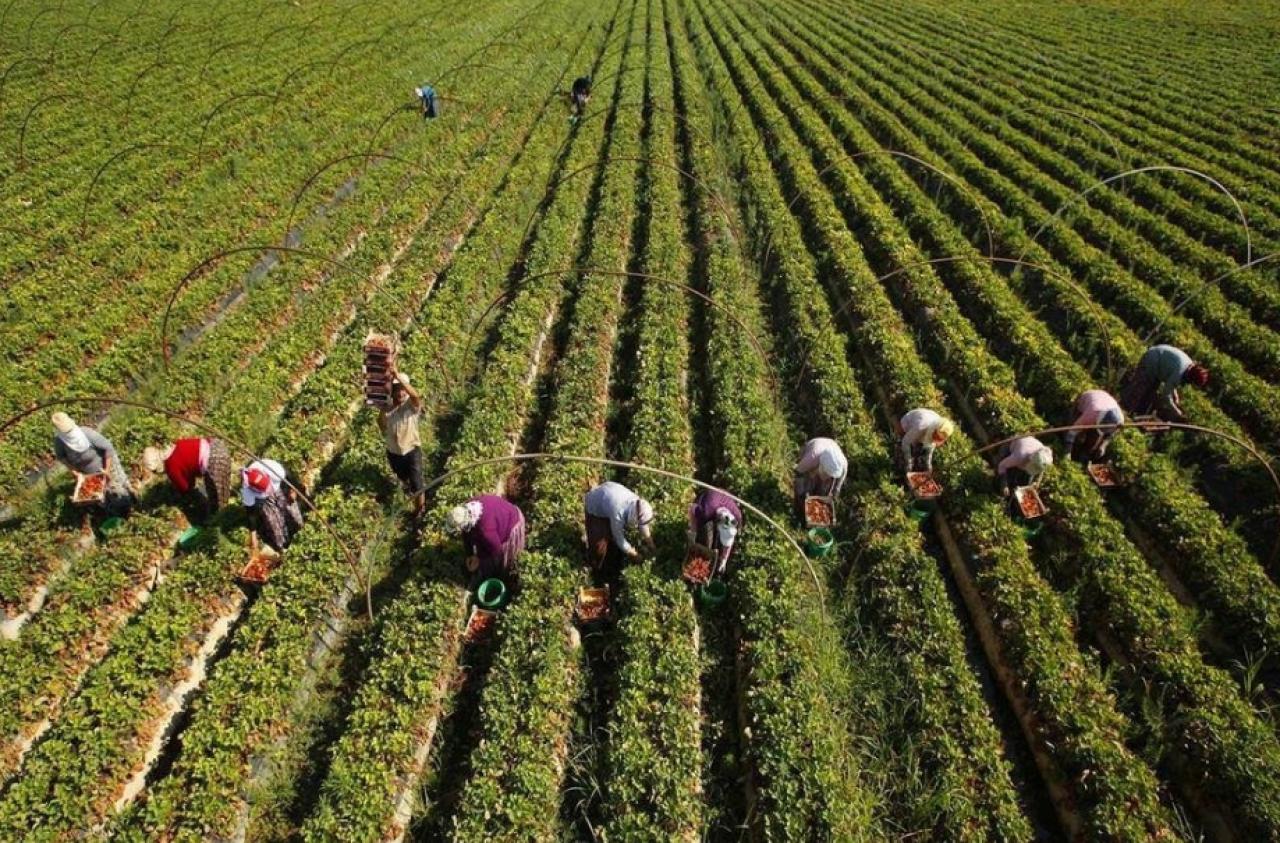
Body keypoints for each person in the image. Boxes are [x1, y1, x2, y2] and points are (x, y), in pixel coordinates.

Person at [51, 412, 134, 514]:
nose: (69, 433)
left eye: (69, 430)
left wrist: (106, 470)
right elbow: (62, 458)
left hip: (106, 464)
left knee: (118, 489)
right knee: (100, 497)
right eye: (66, 432)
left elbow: (108, 448)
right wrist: (75, 472)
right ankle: (116, 513)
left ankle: (131, 504)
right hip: (89, 474)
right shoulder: (60, 442)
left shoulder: (86, 434)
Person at [446, 495, 526, 589]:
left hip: (512, 523)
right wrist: (470, 554)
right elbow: (466, 534)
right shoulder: (468, 510)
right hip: (499, 516)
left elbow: (496, 551)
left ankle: (506, 578)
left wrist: (479, 560)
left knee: (500, 562)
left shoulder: (486, 530)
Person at [1119, 344, 1209, 423]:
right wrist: (1176, 411)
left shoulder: (1188, 365)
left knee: (1149, 392)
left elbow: (1171, 380)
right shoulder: (1180, 372)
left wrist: (1175, 396)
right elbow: (1166, 395)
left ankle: (1132, 413)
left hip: (1158, 363)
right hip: (1151, 362)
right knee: (1138, 389)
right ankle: (1122, 410)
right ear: (1192, 378)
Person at [377, 369, 424, 517]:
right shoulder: (388, 410)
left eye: (403, 389)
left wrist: (397, 377)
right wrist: (384, 408)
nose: (401, 393)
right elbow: (381, 424)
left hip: (412, 450)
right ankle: (409, 491)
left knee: (417, 484)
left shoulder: (411, 405)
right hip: (394, 453)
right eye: (397, 390)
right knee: (405, 480)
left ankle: (420, 511)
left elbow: (416, 396)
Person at [143, 437, 232, 515]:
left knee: (215, 499)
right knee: (223, 485)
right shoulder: (175, 444)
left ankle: (219, 520)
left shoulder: (171, 467)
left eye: (154, 471)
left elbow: (185, 487)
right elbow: (188, 463)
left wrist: (185, 497)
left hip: (214, 461)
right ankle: (228, 503)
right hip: (217, 445)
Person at [584, 481, 655, 573]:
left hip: (607, 495)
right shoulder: (618, 512)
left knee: (612, 532)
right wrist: (635, 555)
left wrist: (651, 544)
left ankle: (611, 551)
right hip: (594, 506)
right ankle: (594, 568)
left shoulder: (638, 504)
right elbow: (619, 539)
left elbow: (642, 524)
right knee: (599, 547)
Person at [240, 458, 303, 555]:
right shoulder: (247, 490)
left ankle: (300, 531)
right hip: (264, 499)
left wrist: (292, 490)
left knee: (290, 510)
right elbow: (251, 513)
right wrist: (253, 536)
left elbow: (289, 476)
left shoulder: (274, 470)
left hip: (279, 486)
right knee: (273, 521)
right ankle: (283, 546)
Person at [687, 488, 742, 576]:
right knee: (705, 533)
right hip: (710, 496)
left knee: (718, 542)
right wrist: (693, 532)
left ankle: (715, 552)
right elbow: (691, 508)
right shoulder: (705, 512)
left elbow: (729, 541)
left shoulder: (737, 516)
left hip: (723, 499)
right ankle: (706, 546)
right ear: (718, 524)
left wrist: (724, 560)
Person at [792, 437, 847, 520]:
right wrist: (801, 493)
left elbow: (837, 487)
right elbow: (799, 474)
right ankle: (798, 512)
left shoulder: (843, 466)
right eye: (826, 473)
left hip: (831, 445)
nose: (827, 477)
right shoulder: (811, 458)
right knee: (807, 485)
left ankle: (814, 512)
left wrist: (834, 496)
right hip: (815, 445)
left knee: (824, 491)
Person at [1062, 390, 1124, 463]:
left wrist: (1103, 446)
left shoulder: (1119, 422)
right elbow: (1072, 432)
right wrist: (1067, 452)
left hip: (1105, 401)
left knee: (1093, 439)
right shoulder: (1091, 414)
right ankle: (1066, 447)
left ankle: (1082, 458)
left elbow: (1110, 435)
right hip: (1087, 399)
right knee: (1073, 427)